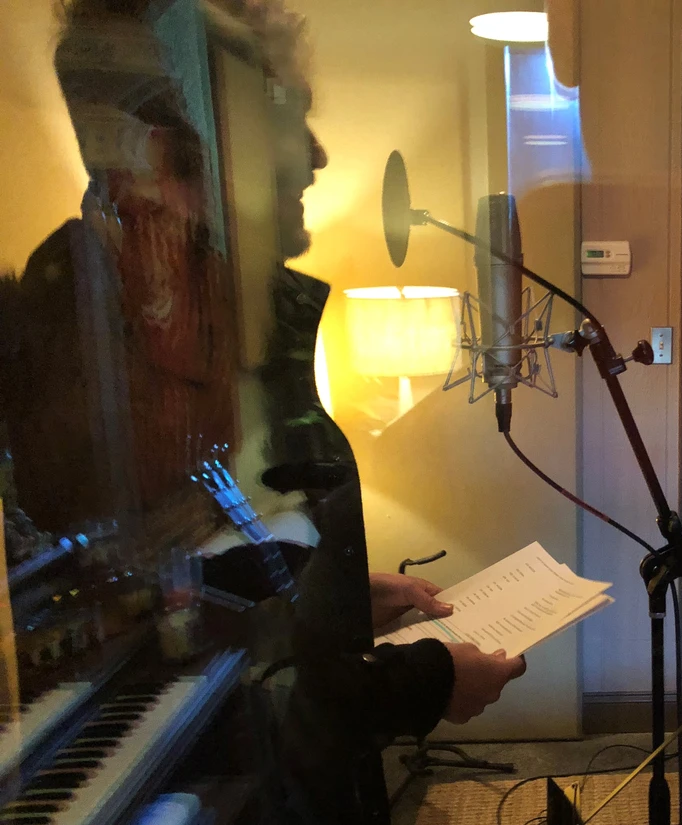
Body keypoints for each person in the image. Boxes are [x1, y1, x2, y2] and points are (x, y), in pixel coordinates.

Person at [2, 1, 525, 821]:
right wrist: (430, 680)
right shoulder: (75, 339)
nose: (316, 156)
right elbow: (151, 626)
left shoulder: (222, 310)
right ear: (164, 154)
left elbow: (197, 559)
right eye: (286, 112)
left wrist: (339, 596)